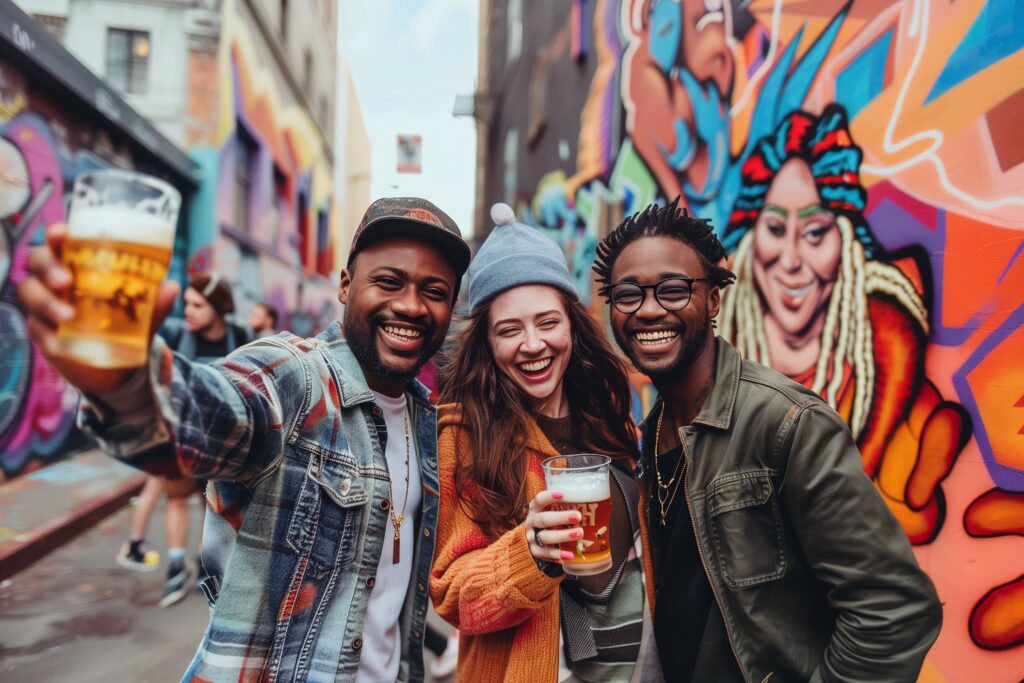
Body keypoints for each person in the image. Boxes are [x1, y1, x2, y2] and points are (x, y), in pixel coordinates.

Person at [19, 197, 470, 682]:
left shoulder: (427, 421)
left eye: (434, 291)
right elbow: (211, 414)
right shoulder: (297, 375)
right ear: (345, 285)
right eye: (388, 281)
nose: (410, 305)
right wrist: (127, 385)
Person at [591, 197, 942, 682]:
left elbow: (895, 611)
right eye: (628, 295)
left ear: (713, 299)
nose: (649, 310)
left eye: (673, 290)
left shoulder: (787, 423)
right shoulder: (650, 437)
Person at [719, 105, 970, 544]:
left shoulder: (876, 358)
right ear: (751, 238)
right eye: (776, 229)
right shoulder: (722, 355)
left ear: (847, 242)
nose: (792, 260)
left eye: (815, 233)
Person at [431, 204, 658, 682]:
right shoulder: (463, 435)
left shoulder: (606, 409)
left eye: (547, 322)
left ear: (572, 324)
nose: (533, 344)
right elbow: (453, 598)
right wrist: (529, 553)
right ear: (488, 344)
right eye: (509, 330)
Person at [116, 272, 253, 608]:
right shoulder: (175, 334)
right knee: (176, 499)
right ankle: (177, 568)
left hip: (224, 444)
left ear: (219, 308)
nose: (188, 310)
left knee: (217, 505)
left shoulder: (241, 337)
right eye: (186, 303)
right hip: (180, 440)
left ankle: (209, 565)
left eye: (197, 305)